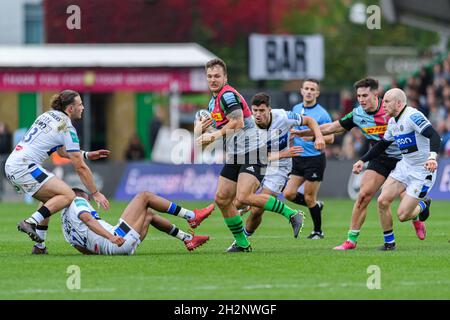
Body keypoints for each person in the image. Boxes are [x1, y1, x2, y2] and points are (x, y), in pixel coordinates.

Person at [291, 78, 430, 250]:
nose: (361, 99)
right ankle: (352, 240)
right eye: (358, 96)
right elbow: (333, 127)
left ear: (376, 95)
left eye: (365, 95)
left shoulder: (391, 110)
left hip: (405, 158)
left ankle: (418, 214)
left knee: (405, 203)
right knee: (363, 196)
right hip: (379, 158)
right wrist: (304, 132)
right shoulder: (358, 114)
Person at [196, 58, 305, 252]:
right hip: (236, 153)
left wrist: (212, 135)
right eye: (210, 76)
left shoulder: (227, 95)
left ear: (225, 77)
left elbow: (237, 122)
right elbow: (225, 126)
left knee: (245, 197)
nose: (213, 79)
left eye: (217, 76)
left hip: (254, 151)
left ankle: (291, 214)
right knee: (222, 198)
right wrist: (204, 130)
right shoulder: (213, 101)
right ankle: (242, 243)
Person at [4, 89, 110, 248]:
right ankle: (30, 222)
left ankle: (39, 247)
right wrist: (95, 193)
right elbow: (80, 166)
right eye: (80, 105)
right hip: (25, 166)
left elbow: (61, 151)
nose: (83, 108)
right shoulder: (67, 127)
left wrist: (86, 154)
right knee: (67, 194)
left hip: (13, 163)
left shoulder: (47, 115)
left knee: (51, 199)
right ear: (70, 109)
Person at [227, 92, 325, 247]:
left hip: (280, 168)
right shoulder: (249, 126)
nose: (258, 115)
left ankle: (241, 242)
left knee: (257, 209)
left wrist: (318, 136)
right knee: (238, 202)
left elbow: (309, 120)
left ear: (269, 110)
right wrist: (284, 153)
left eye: (262, 111)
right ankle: (248, 206)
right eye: (255, 111)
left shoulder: (283, 117)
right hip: (259, 162)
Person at [353, 88, 440, 245]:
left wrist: (432, 157)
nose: (383, 105)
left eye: (386, 101)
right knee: (382, 201)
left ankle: (423, 204)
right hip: (405, 166)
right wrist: (362, 160)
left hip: (422, 171)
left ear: (399, 103)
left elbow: (434, 135)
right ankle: (389, 243)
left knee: (402, 215)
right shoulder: (393, 121)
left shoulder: (412, 116)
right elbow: (382, 145)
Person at [62, 188, 214, 255]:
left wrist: (103, 252)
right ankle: (191, 216)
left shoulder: (65, 224)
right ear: (81, 195)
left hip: (115, 247)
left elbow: (81, 248)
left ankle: (188, 239)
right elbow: (88, 220)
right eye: (88, 199)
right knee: (144, 196)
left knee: (148, 214)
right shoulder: (77, 200)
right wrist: (111, 238)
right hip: (116, 239)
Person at [283, 79, 334, 240]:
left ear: (317, 93)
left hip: (315, 159)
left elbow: (331, 138)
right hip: (298, 158)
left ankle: (318, 231)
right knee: (289, 193)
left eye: (313, 89)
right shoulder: (296, 108)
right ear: (301, 91)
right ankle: (316, 207)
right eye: (307, 88)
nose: (309, 91)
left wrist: (313, 138)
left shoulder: (322, 114)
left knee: (309, 197)